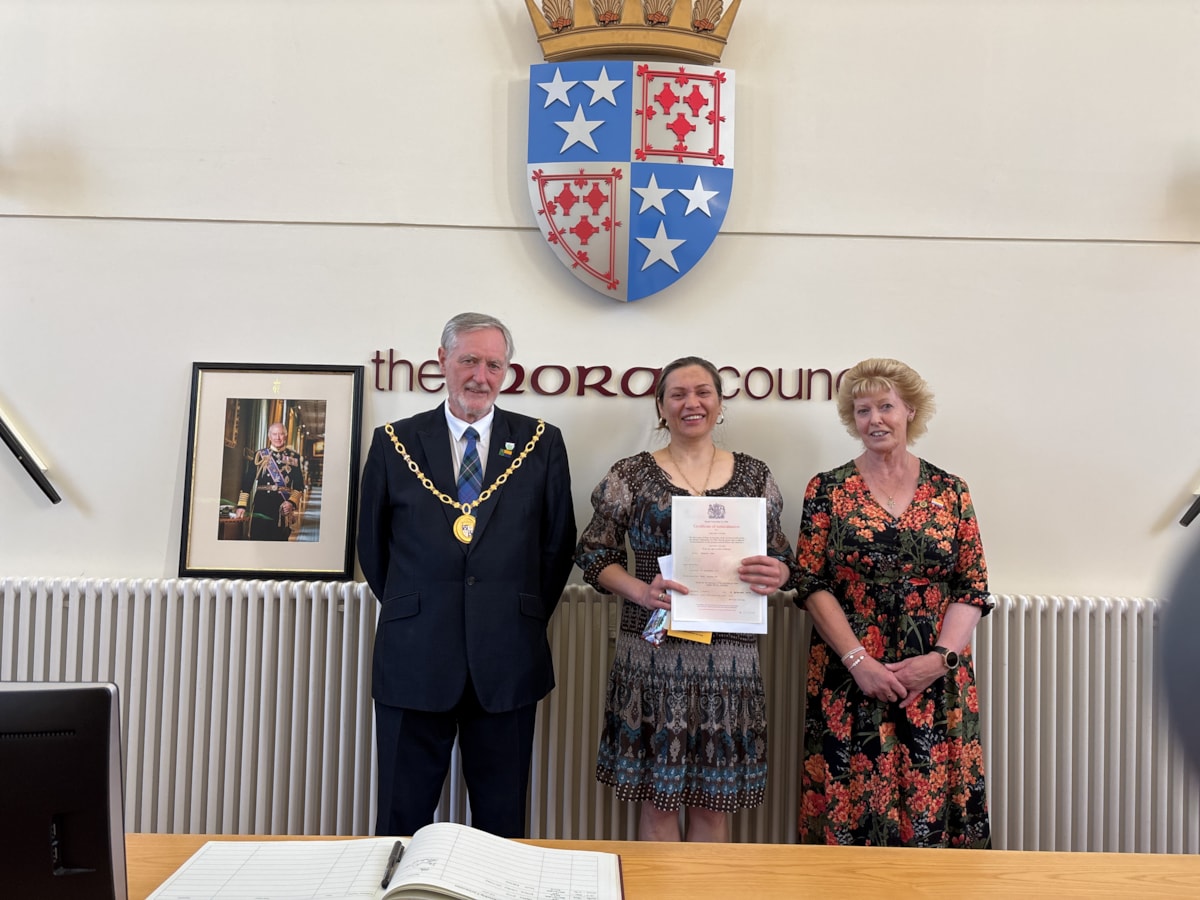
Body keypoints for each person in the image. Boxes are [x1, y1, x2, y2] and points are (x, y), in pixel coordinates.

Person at [357, 312, 576, 839]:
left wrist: (514, 614)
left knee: (502, 822)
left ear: (507, 372)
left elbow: (557, 543)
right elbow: (372, 545)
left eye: (494, 364)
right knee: (400, 819)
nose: (481, 375)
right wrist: (419, 607)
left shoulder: (540, 442)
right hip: (415, 655)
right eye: (469, 361)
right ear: (443, 362)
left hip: (507, 657)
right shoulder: (395, 442)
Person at [575, 356, 799, 842]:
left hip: (730, 661)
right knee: (659, 802)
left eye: (702, 392)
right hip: (651, 654)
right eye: (677, 394)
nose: (690, 403)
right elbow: (592, 553)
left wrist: (777, 571)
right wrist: (640, 590)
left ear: (720, 404)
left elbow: (783, 559)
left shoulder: (755, 475)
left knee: (712, 805)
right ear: (660, 407)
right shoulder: (630, 474)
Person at [795, 357, 992, 847]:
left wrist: (938, 660)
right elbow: (810, 584)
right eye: (863, 410)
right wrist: (859, 661)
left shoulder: (951, 491)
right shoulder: (827, 490)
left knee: (934, 818)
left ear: (909, 412)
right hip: (850, 676)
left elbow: (972, 587)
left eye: (886, 407)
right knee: (852, 816)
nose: (875, 419)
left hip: (936, 680)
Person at [233, 421, 305, 541]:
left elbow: (299, 485)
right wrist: (241, 505)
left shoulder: (294, 457)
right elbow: (247, 482)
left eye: (281, 434)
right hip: (262, 505)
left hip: (282, 506)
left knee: (279, 541)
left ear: (285, 436)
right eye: (274, 434)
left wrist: (291, 503)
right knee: (258, 539)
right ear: (269, 436)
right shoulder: (260, 455)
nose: (278, 437)